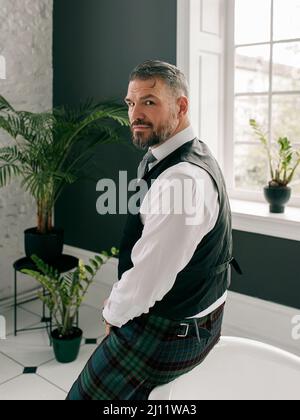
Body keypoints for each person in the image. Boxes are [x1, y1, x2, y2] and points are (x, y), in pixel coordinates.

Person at [67, 60, 234, 400]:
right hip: (198, 318)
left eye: (149, 102)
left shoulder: (183, 179)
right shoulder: (186, 153)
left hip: (172, 332)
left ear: (181, 106)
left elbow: (149, 277)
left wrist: (113, 313)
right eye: (131, 103)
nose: (135, 114)